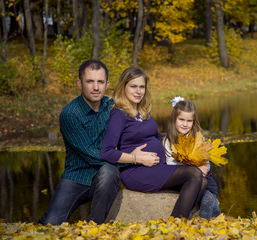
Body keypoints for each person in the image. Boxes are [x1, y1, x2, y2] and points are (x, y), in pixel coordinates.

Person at [100, 66, 207, 218]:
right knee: (193, 174)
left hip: (158, 167)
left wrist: (187, 143)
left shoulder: (144, 111)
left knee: (202, 181)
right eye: (133, 86)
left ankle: (180, 218)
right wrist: (136, 158)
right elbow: (106, 152)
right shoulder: (119, 114)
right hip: (137, 172)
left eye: (142, 87)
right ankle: (176, 224)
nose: (138, 91)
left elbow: (156, 136)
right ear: (123, 87)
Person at [39, 60, 122, 225]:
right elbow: (92, 155)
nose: (96, 87)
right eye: (90, 81)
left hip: (105, 176)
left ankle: (94, 227)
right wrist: (132, 159)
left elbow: (135, 130)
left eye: (100, 82)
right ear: (79, 83)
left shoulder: (113, 107)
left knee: (109, 172)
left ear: (107, 84)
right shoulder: (70, 114)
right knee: (50, 224)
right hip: (76, 178)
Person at [162, 98, 221, 219]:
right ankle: (208, 207)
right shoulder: (169, 141)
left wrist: (204, 168)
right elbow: (170, 165)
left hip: (201, 175)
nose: (185, 124)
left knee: (211, 182)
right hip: (182, 179)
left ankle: (210, 201)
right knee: (202, 181)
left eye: (189, 121)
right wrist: (195, 168)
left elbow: (206, 161)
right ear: (174, 119)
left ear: (194, 122)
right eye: (181, 119)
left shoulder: (197, 139)